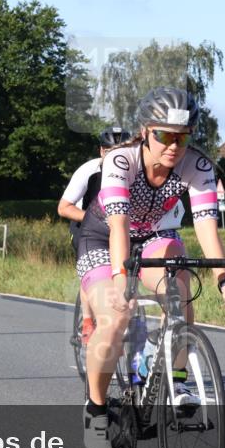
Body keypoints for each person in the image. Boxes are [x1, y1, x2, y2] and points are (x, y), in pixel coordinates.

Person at [75, 87, 225, 448]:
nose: (173, 146)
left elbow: (207, 230)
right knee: (115, 316)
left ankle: (179, 380)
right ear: (144, 131)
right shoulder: (121, 161)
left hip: (154, 236)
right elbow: (119, 227)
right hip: (103, 237)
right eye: (164, 136)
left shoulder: (197, 167)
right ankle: (96, 410)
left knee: (179, 281)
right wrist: (121, 284)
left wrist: (224, 281)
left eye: (182, 138)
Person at [58, 127, 133, 346]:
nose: (115, 157)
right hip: (86, 226)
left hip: (120, 227)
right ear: (101, 151)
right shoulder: (88, 171)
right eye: (109, 152)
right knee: (90, 266)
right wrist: (96, 220)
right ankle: (88, 322)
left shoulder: (133, 170)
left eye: (121, 151)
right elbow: (63, 208)